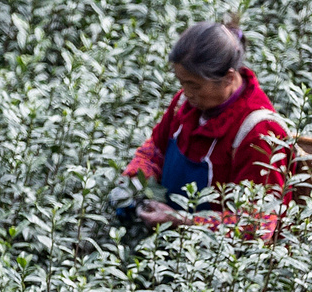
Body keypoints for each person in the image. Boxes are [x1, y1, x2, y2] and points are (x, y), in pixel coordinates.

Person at [114, 18, 289, 237]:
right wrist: (134, 180)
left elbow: (256, 225)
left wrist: (183, 221)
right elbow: (155, 150)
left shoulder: (260, 133)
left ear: (228, 78)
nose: (186, 92)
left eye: (194, 85)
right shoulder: (184, 104)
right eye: (182, 83)